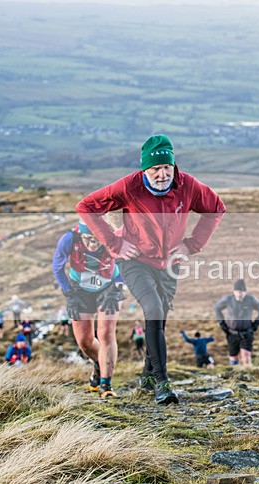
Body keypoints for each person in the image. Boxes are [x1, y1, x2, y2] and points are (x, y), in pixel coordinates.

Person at [76, 134, 226, 405]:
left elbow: (216, 208)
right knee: (153, 309)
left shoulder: (187, 186)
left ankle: (147, 375)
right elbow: (86, 206)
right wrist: (114, 243)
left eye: (167, 167)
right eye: (155, 169)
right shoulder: (129, 187)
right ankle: (161, 382)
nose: (162, 174)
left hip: (169, 264)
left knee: (160, 318)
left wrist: (192, 245)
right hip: (136, 261)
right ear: (145, 169)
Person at [52, 219, 125, 398]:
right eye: (88, 239)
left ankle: (106, 385)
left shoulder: (116, 239)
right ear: (80, 234)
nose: (92, 244)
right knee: (84, 341)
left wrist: (118, 287)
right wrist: (68, 293)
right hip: (79, 290)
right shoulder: (69, 239)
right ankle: (100, 363)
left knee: (105, 332)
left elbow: (130, 265)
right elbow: (57, 267)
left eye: (97, 239)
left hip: (109, 288)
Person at [214, 279, 259, 366]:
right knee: (233, 358)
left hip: (246, 333)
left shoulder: (250, 300)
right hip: (231, 333)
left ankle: (248, 372)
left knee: (246, 357)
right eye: (237, 291)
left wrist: (255, 325)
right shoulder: (228, 299)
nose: (238, 294)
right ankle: (234, 373)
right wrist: (222, 324)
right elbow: (217, 308)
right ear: (233, 291)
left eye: (241, 292)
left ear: (245, 292)